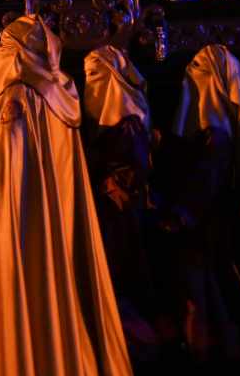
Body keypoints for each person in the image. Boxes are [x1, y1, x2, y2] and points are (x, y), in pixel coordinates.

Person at [0, 15, 131, 376]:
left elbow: (1, 181)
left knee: (22, 297)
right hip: (53, 227)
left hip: (19, 229)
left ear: (15, 54)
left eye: (3, 48)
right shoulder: (60, 92)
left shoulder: (15, 99)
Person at [155, 44, 240, 366]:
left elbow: (208, 182)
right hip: (200, 225)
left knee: (202, 298)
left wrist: (180, 216)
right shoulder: (208, 130)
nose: (192, 77)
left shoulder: (217, 134)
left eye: (201, 71)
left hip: (204, 227)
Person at [81, 45, 158, 357]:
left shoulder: (127, 118)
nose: (91, 83)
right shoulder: (102, 119)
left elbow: (132, 171)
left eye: (97, 74)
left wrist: (108, 184)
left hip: (121, 213)